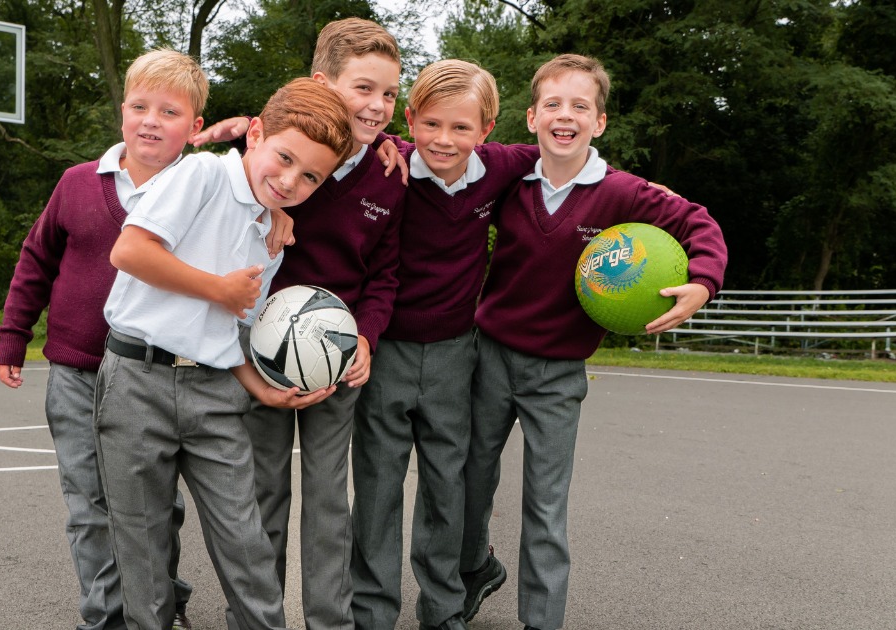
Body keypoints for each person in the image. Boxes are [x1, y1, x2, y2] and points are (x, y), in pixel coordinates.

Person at [0, 49, 286, 630]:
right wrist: (13, 334)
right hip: (81, 371)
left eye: (170, 111)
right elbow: (37, 258)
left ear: (194, 128)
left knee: (156, 510)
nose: (151, 120)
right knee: (92, 507)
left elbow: (271, 153)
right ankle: (105, 616)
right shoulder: (79, 183)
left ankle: (160, 599)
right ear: (121, 111)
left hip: (155, 374)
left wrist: (272, 211)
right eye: (139, 106)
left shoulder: (200, 186)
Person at [460, 53, 728, 630]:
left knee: (545, 505)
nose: (565, 116)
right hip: (489, 357)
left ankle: (542, 619)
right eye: (553, 104)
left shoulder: (623, 193)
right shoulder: (508, 177)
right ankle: (470, 572)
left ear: (599, 122)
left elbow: (698, 222)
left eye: (580, 106)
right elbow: (441, 156)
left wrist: (703, 281)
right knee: (468, 480)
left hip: (557, 372)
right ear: (531, 116)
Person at [93, 77, 356, 630]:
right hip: (137, 380)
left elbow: (228, 327)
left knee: (247, 543)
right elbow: (130, 250)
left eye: (310, 176)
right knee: (143, 547)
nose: (289, 180)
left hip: (214, 390)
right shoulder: (202, 173)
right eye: (284, 158)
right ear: (255, 134)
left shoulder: (271, 229)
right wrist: (219, 288)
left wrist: (257, 383)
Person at [193, 18, 409, 629]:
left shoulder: (392, 174)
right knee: (261, 496)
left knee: (328, 501)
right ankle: (253, 618)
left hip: (335, 360)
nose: (376, 105)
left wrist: (365, 334)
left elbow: (385, 274)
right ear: (321, 84)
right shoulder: (271, 160)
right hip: (259, 353)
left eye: (389, 94)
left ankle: (330, 620)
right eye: (362, 88)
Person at [349, 59, 539, 630]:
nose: (445, 140)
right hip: (386, 351)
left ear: (487, 129)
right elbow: (320, 135)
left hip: (458, 353)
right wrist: (381, 138)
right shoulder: (388, 170)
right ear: (409, 119)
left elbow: (565, 159)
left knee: (444, 488)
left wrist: (639, 187)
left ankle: (444, 608)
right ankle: (372, 612)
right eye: (430, 124)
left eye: (462, 128)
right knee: (378, 488)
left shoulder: (502, 166)